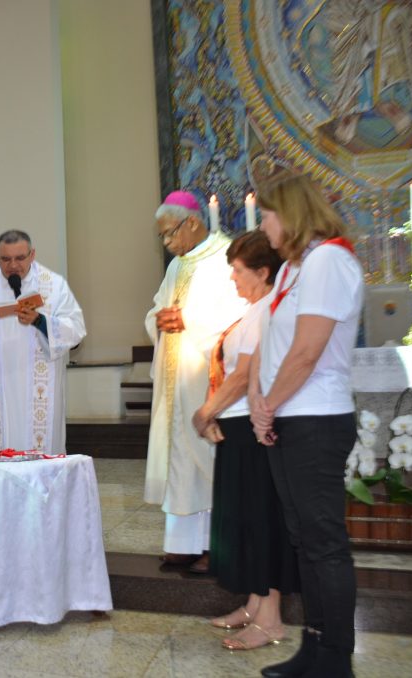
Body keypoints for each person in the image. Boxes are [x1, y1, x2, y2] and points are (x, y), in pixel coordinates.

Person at [250, 174, 363, 678]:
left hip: (316, 416)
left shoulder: (328, 261)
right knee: (304, 540)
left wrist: (269, 404)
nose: (263, 227)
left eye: (267, 216)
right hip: (292, 416)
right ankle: (314, 648)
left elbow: (307, 351)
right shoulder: (294, 270)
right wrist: (261, 402)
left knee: (323, 542)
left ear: (290, 213)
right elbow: (274, 347)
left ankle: (335, 659)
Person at [190, 232, 298, 651]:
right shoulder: (252, 310)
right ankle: (254, 605)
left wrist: (206, 411)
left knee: (261, 519)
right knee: (245, 520)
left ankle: (271, 620)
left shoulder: (266, 311)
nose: (232, 278)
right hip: (237, 427)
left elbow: (242, 375)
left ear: (262, 272)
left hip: (252, 429)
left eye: (237, 270)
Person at [144, 191, 247, 571]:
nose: (168, 244)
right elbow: (158, 307)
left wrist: (189, 321)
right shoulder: (177, 266)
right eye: (163, 238)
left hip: (207, 379)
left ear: (192, 222)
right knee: (180, 461)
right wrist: (159, 319)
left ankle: (212, 546)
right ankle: (182, 543)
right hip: (176, 379)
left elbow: (242, 314)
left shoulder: (227, 258)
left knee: (206, 462)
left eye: (171, 234)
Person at [0, 230, 86, 453]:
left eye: (20, 258)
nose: (13, 265)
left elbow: (76, 329)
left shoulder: (54, 286)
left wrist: (41, 321)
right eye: (6, 259)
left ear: (32, 254)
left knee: (41, 457)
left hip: (40, 390)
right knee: (0, 455)